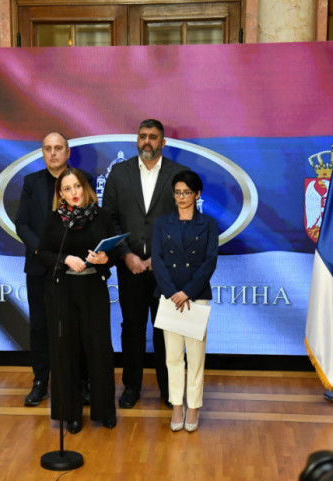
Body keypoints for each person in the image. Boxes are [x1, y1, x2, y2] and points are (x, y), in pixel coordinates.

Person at [102, 119, 188, 409]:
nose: (147, 142)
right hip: (131, 267)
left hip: (167, 270)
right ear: (136, 141)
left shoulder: (179, 174)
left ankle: (169, 390)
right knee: (132, 328)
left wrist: (161, 258)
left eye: (153, 137)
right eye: (142, 137)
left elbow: (185, 220)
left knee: (167, 332)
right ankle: (131, 387)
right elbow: (109, 219)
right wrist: (126, 255)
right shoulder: (119, 173)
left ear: (163, 142)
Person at [37, 167, 118, 433]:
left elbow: (115, 251)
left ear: (86, 188)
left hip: (94, 287)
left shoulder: (102, 216)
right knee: (66, 351)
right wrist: (64, 260)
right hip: (63, 290)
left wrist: (106, 259)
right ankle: (70, 414)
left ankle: (104, 410)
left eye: (77, 187)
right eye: (67, 189)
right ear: (60, 194)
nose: (73, 193)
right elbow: (43, 253)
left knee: (99, 349)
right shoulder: (54, 220)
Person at [15, 132, 91, 407]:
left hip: (75, 267)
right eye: (47, 148)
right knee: (40, 327)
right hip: (40, 267)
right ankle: (40, 382)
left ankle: (82, 383)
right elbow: (21, 223)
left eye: (58, 148)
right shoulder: (31, 183)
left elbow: (91, 219)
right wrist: (42, 249)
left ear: (68, 152)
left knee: (78, 327)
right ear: (42, 153)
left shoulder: (81, 181)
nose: (53, 153)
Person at [151, 170, 218, 432]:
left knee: (196, 356)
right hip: (169, 298)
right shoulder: (162, 223)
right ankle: (176, 404)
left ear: (197, 194)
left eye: (186, 192)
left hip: (196, 296)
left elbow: (209, 262)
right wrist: (172, 292)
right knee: (173, 356)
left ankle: (194, 407)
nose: (181, 197)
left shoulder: (209, 225)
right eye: (177, 192)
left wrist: (187, 292)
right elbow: (157, 260)